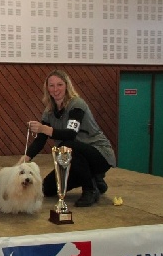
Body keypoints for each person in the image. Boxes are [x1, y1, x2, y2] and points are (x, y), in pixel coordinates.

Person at [20, 69, 116, 207]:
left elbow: (71, 133)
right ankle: (96, 179)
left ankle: (90, 190)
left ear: (67, 86)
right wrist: (25, 159)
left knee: (67, 145)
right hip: (73, 157)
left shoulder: (77, 104)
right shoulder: (48, 111)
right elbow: (41, 140)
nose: (55, 89)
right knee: (47, 188)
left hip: (99, 153)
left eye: (59, 85)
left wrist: (44, 128)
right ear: (47, 88)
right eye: (51, 85)